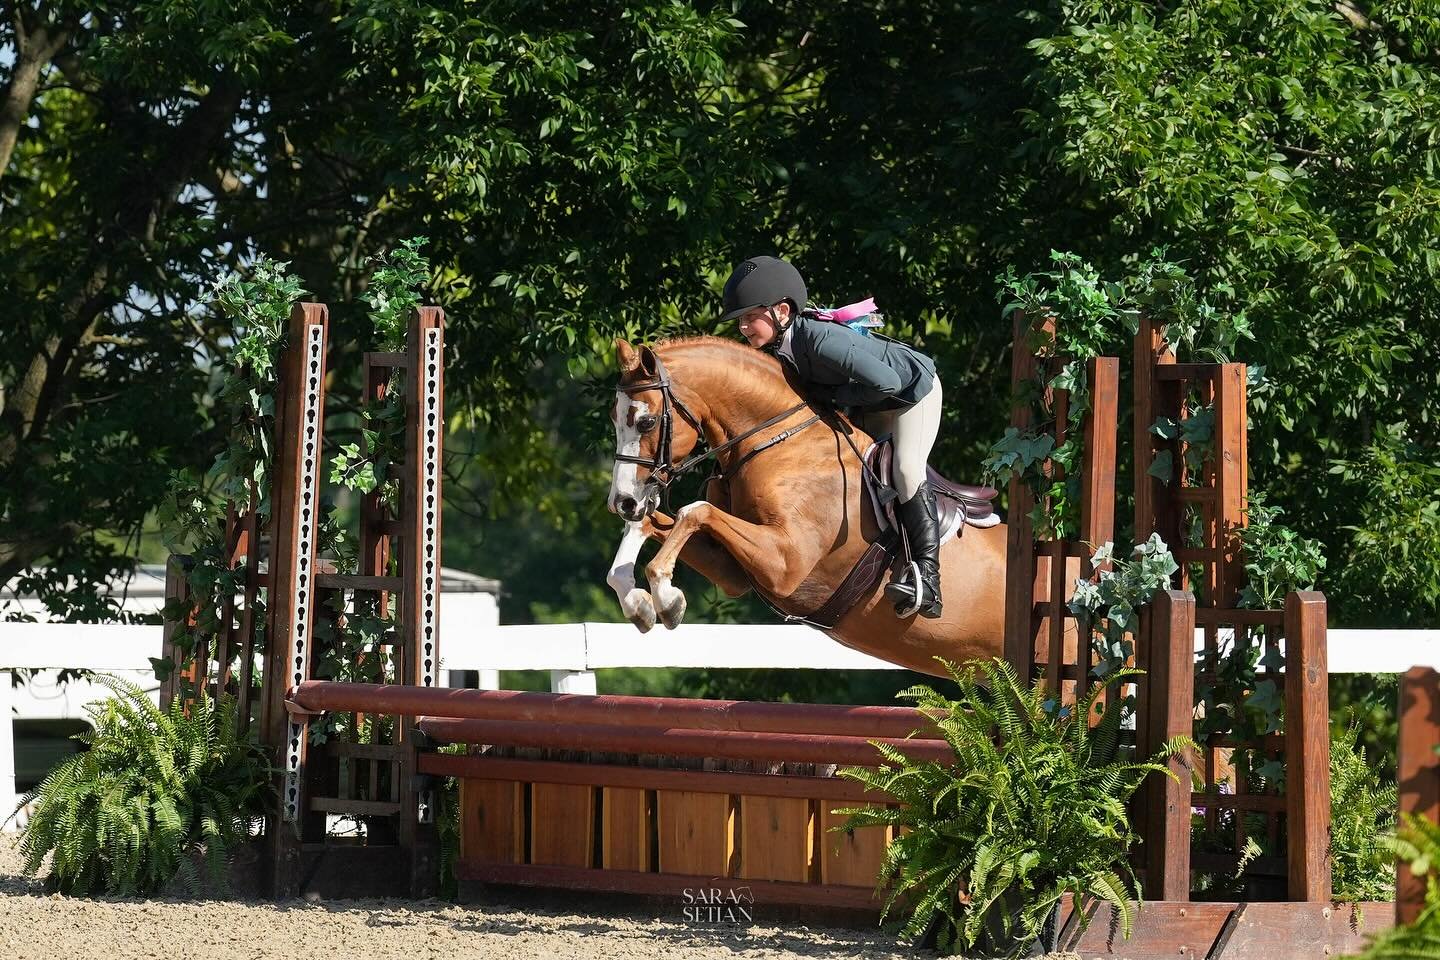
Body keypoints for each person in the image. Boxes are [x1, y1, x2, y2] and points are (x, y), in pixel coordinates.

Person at [720, 255, 945, 619]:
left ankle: (929, 578)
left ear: (780, 311)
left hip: (911, 392)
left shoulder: (820, 338)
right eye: (740, 320)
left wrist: (835, 399)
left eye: (749, 317)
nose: (743, 327)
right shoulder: (780, 348)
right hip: (871, 397)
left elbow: (888, 383)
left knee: (905, 470)